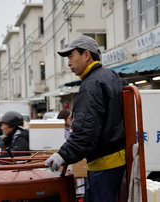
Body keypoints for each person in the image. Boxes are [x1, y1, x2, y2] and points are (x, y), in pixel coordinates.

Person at [45, 35, 128, 202]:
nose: (68, 63)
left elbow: (85, 133)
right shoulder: (113, 77)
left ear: (86, 55)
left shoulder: (91, 85)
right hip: (119, 165)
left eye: (70, 56)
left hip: (104, 169)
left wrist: (62, 155)